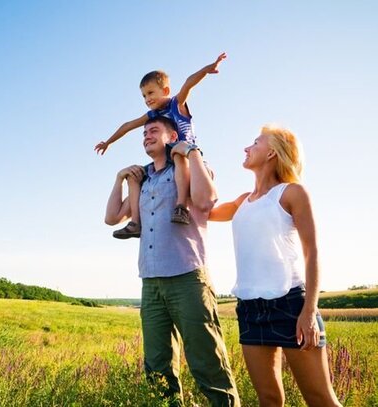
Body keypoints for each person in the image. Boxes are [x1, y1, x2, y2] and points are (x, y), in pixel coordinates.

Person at [104, 116, 240, 407]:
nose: (146, 136)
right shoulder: (144, 180)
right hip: (151, 282)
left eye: (153, 130)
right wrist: (119, 179)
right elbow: (112, 217)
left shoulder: (188, 169)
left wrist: (191, 152)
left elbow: (206, 202)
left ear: (172, 136)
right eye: (143, 134)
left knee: (207, 361)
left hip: (187, 277)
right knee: (157, 367)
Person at [209, 125, 342, 407]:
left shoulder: (292, 193)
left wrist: (309, 311)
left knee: (320, 400)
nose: (247, 148)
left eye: (255, 143)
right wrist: (192, 160)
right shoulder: (241, 201)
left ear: (271, 152)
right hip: (249, 308)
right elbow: (201, 210)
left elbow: (313, 252)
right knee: (269, 399)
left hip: (291, 305)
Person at [97, 53, 226, 239]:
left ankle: (180, 206)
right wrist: (108, 142)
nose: (147, 99)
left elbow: (188, 83)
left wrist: (207, 69)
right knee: (135, 176)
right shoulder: (152, 115)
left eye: (150, 93)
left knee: (177, 154)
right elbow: (127, 126)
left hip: (184, 152)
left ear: (165, 91)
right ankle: (135, 222)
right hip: (165, 158)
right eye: (143, 96)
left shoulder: (176, 104)